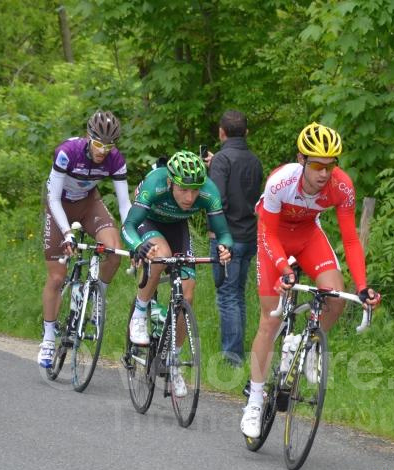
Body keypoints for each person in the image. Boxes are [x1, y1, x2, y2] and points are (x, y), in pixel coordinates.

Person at [240, 122, 382, 438]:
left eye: (331, 165)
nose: (324, 173)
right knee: (270, 319)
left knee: (336, 295)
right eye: (317, 165)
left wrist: (362, 286)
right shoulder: (281, 181)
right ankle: (254, 399)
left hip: (307, 237)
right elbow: (267, 232)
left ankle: (305, 346)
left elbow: (350, 240)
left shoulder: (342, 187)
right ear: (302, 160)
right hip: (273, 240)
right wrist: (283, 268)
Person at [121, 150, 232, 394]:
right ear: (170, 182)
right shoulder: (155, 184)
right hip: (147, 222)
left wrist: (225, 248)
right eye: (183, 189)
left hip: (177, 226)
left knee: (187, 295)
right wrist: (137, 246)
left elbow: (223, 233)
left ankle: (173, 362)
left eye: (195, 190)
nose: (190, 197)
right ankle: (140, 313)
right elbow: (128, 225)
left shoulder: (208, 191)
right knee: (160, 254)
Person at [38, 110, 132, 368]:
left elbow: (125, 205)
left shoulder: (115, 160)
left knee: (114, 251)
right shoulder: (68, 152)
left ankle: (98, 295)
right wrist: (67, 233)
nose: (104, 150)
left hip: (89, 204)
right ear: (89, 137)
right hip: (60, 205)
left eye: (109, 145)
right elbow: (53, 198)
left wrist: (136, 237)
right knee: (57, 277)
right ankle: (48, 338)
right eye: (99, 144)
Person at [204, 110, 264, 366]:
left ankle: (232, 356)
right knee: (237, 293)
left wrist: (213, 231)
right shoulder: (255, 161)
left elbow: (217, 199)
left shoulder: (221, 161)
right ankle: (237, 352)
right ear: (247, 133)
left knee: (226, 294)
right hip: (250, 235)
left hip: (226, 236)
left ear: (221, 132)